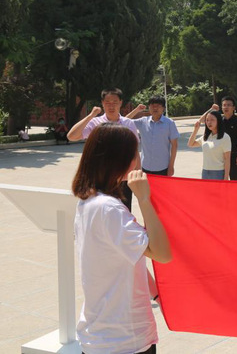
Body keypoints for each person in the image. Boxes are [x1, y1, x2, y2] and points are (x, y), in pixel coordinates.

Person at [72, 124, 172, 354]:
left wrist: (157, 294)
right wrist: (144, 199)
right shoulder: (110, 209)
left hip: (101, 335)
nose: (138, 159)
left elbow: (130, 254)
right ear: (120, 159)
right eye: (135, 152)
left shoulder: (89, 202)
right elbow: (162, 253)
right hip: (125, 339)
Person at [68, 88, 140, 210]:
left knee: (123, 209)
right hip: (100, 176)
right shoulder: (95, 122)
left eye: (115, 102)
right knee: (100, 208)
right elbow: (72, 136)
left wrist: (138, 172)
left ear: (121, 103)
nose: (111, 106)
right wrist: (91, 115)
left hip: (123, 175)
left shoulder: (128, 123)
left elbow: (134, 151)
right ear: (102, 103)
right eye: (107, 102)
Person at [126, 96, 180, 176]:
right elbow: (124, 121)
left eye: (158, 106)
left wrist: (171, 166)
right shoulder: (143, 121)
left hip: (163, 167)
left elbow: (174, 145)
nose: (155, 108)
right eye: (152, 105)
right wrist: (136, 110)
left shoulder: (169, 123)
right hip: (145, 166)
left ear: (163, 108)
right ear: (149, 107)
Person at [188, 109, 231, 180]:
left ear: (218, 121)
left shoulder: (225, 137)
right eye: (207, 120)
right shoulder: (206, 137)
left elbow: (227, 159)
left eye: (212, 120)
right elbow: (191, 144)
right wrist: (195, 130)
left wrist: (226, 177)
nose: (209, 122)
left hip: (218, 172)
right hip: (205, 172)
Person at [220, 96, 237, 181]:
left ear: (234, 107)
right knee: (221, 179)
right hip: (220, 155)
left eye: (229, 105)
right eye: (224, 105)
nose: (226, 107)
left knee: (234, 180)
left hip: (234, 154)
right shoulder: (219, 121)